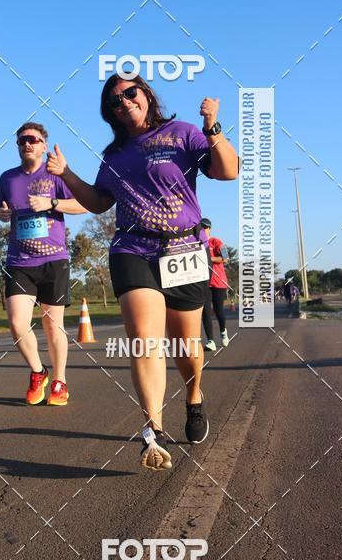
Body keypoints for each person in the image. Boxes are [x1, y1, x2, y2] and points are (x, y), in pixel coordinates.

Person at [46, 75, 239, 470]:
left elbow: (228, 171)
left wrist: (212, 127)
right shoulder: (115, 155)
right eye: (114, 102)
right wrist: (66, 174)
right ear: (110, 113)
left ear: (146, 95)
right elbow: (100, 203)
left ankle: (194, 398)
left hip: (184, 249)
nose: (124, 102)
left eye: (129, 93)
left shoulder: (182, 133)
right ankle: (153, 432)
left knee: (187, 346)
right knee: (145, 341)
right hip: (133, 249)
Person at [0, 123, 87, 406]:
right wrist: (0, 212)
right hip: (20, 260)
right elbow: (0, 210)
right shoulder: (8, 178)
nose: (27, 144)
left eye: (33, 140)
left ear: (44, 145)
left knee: (52, 325)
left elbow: (84, 204)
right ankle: (38, 371)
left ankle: (59, 381)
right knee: (16, 323)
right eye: (22, 140)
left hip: (53, 259)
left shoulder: (54, 173)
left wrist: (52, 202)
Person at [200, 218, 230, 350]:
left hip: (218, 282)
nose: (203, 230)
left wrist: (208, 259)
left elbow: (225, 258)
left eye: (205, 228)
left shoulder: (216, 242)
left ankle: (223, 332)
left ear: (209, 229)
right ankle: (210, 341)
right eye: (200, 228)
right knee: (205, 311)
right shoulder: (197, 244)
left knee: (218, 310)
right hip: (204, 283)